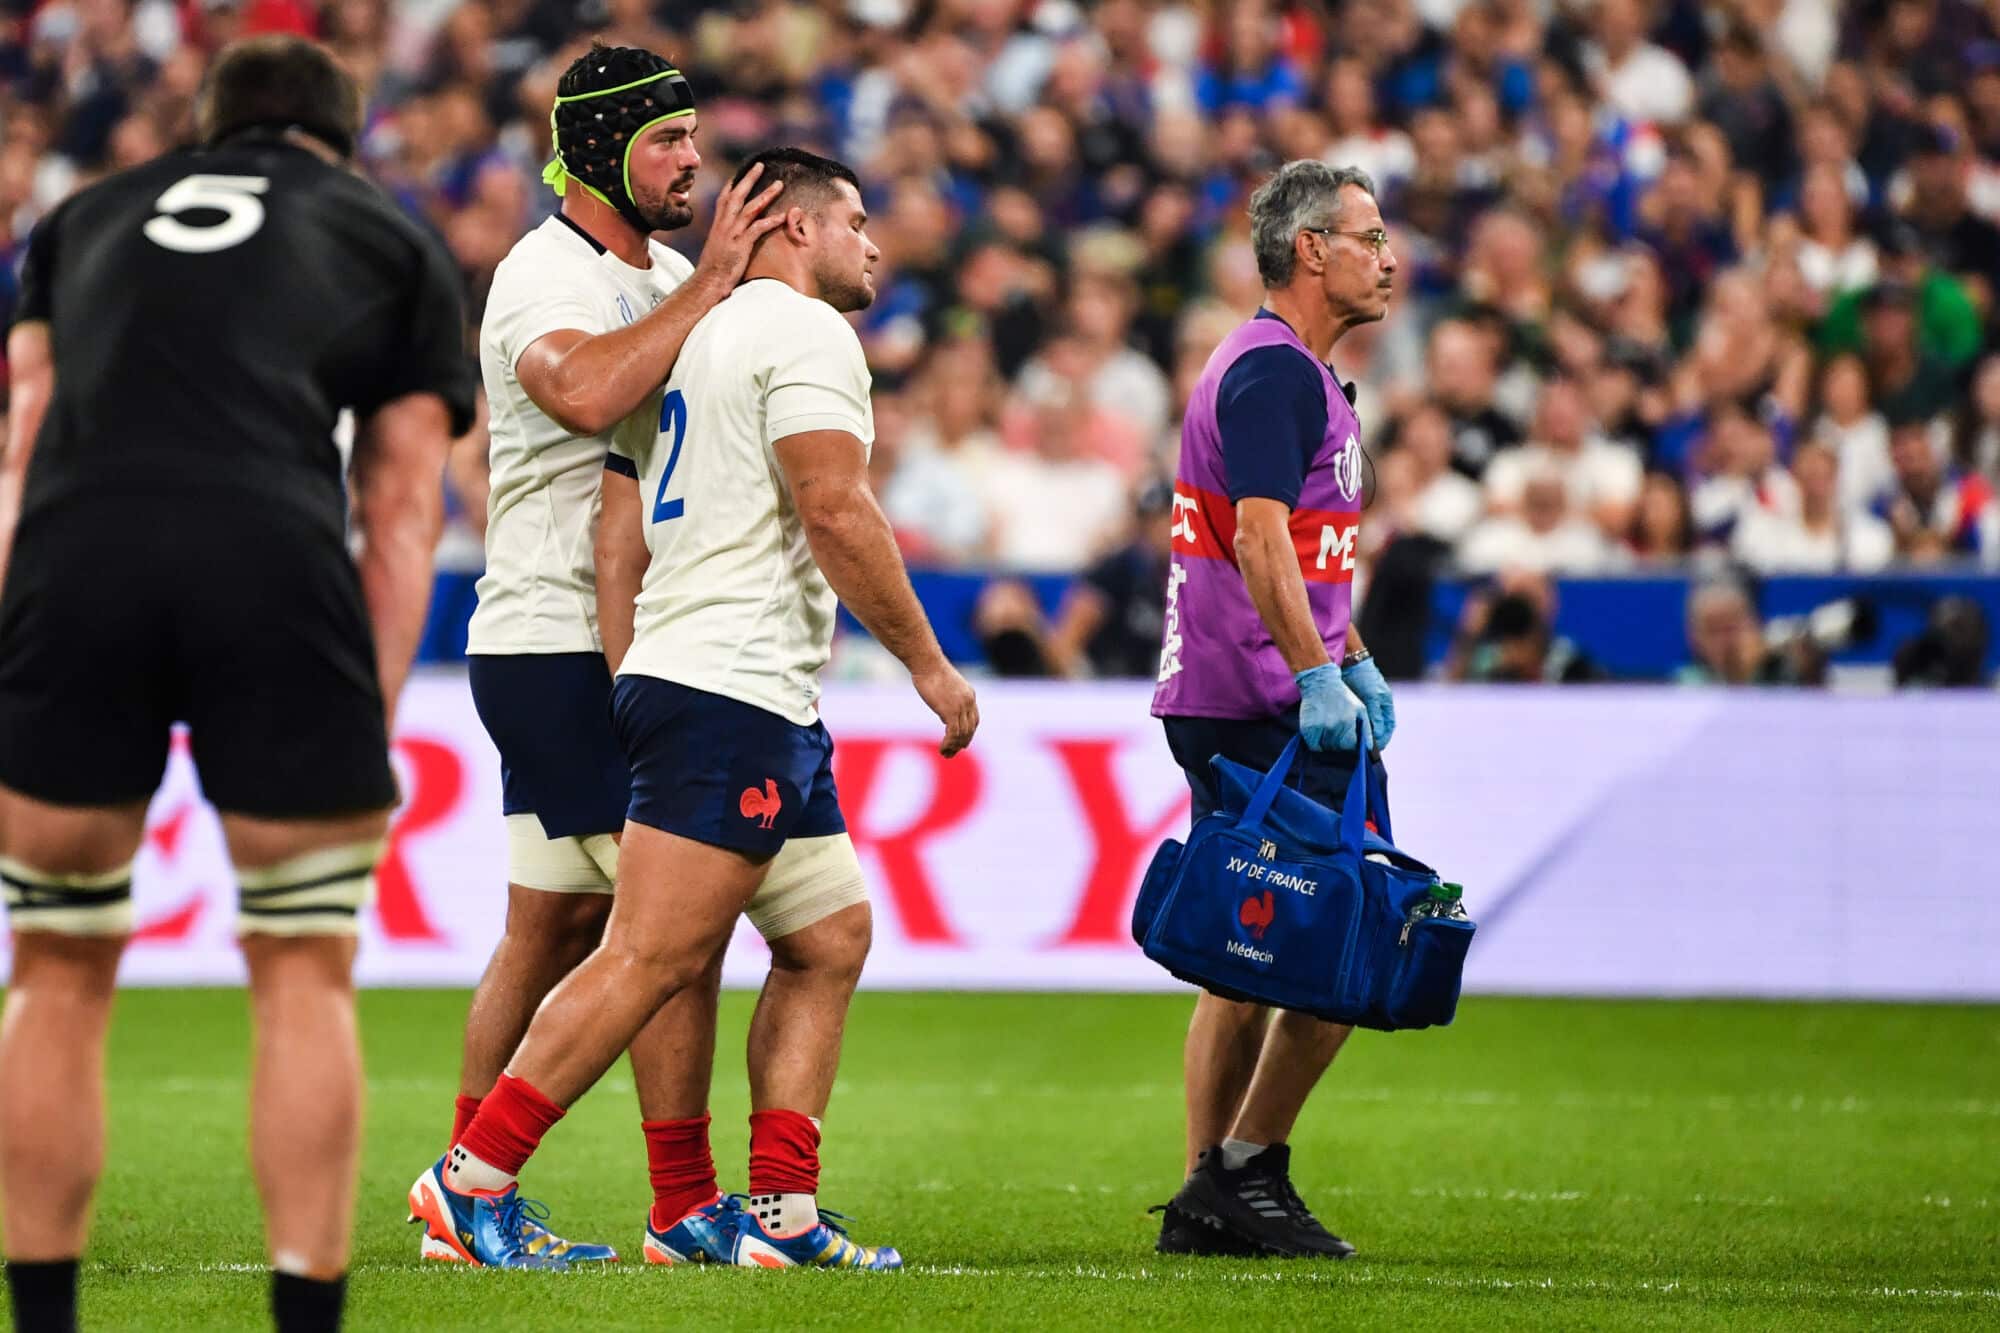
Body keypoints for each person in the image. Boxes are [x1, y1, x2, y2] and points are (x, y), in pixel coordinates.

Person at [408, 147, 978, 1272]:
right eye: (856, 221)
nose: (873, 246)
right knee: (647, 955)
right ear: (795, 228)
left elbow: (616, 533)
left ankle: (782, 1216)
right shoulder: (804, 332)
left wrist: (638, 674)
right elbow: (835, 506)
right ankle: (470, 1181)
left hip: (717, 682)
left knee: (826, 936)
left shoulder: (685, 340)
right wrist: (928, 665)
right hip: (731, 686)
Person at [0, 36, 474, 1333]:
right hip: (270, 556)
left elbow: (23, 442)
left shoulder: (84, 216)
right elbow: (400, 504)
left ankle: (42, 1321)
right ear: (341, 135)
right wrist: (369, 709)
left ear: (206, 129)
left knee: (54, 962)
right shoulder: (388, 233)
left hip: (76, 558)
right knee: (303, 962)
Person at [437, 44, 795, 1268]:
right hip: (558, 638)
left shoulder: (666, 275)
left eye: (693, 134)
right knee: (670, 930)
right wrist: (713, 289)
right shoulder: (543, 274)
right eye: (666, 139)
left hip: (576, 639)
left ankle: (460, 1194)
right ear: (598, 150)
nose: (694, 158)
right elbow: (586, 395)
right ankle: (676, 1201)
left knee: (548, 929)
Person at [1150, 160, 1396, 1259]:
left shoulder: (1288, 372)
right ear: (1310, 250)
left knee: (1243, 959)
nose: (1388, 257)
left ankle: (1208, 1193)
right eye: (1368, 236)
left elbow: (1303, 551)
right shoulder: (1274, 376)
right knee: (1349, 933)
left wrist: (1353, 654)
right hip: (1260, 699)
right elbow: (1255, 538)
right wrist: (1315, 677)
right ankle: (1244, 1167)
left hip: (1241, 690)